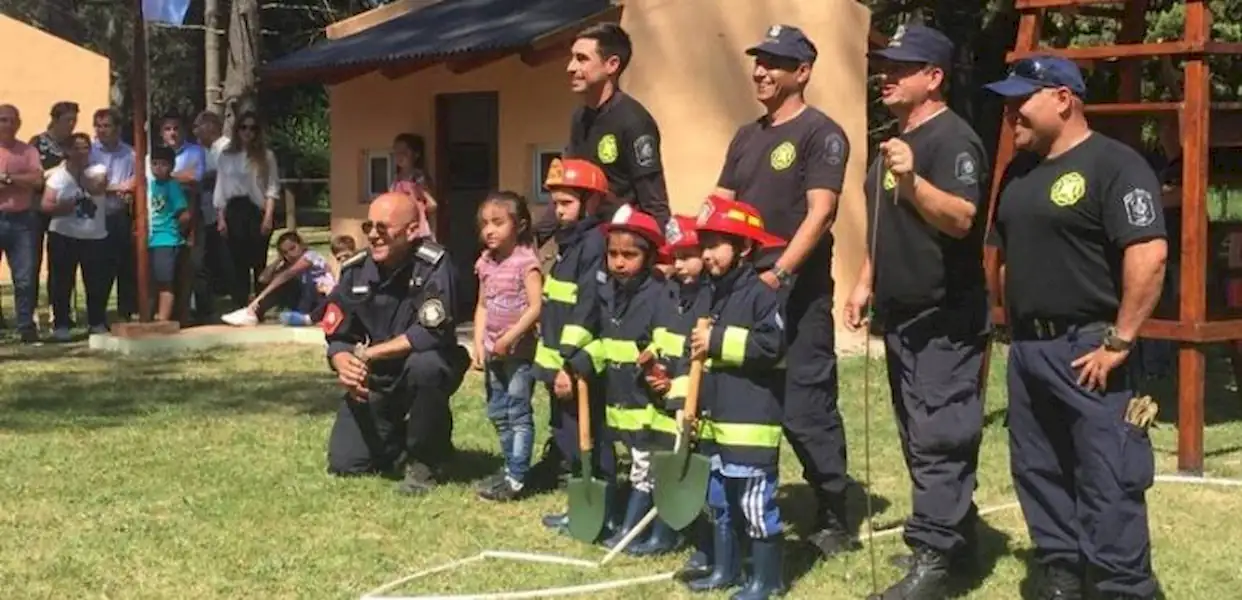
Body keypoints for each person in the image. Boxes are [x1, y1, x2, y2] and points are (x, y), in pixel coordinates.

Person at [984, 56, 1166, 600]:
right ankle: (1061, 569)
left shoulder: (1115, 165)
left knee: (1108, 477)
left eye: (1023, 98)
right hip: (1029, 348)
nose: (1011, 110)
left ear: (1063, 98)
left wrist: (1120, 339)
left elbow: (1149, 255)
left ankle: (1124, 586)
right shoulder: (1018, 171)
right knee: (1039, 468)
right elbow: (1001, 251)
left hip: (1089, 347)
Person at [844, 25, 991, 600]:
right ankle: (961, 536)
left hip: (945, 319)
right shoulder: (892, 144)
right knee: (918, 435)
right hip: (902, 317)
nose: (886, 74)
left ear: (934, 78)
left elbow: (961, 218)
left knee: (939, 436)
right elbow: (884, 231)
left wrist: (913, 179)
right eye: (884, 65)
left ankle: (931, 560)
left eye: (901, 67)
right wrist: (863, 283)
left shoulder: (954, 140)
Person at [713, 24, 854, 557]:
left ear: (803, 72)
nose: (760, 71)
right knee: (740, 398)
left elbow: (821, 213)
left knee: (805, 406)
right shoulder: (747, 136)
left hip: (797, 293)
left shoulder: (822, 133)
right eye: (758, 61)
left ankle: (835, 511)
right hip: (744, 288)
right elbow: (722, 204)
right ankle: (741, 500)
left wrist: (780, 275)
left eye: (774, 62)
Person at [323, 192, 469, 496]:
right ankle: (402, 443)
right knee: (347, 463)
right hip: (377, 375)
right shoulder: (355, 270)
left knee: (425, 366)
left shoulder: (434, 265)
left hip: (422, 365)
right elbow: (338, 334)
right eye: (368, 228)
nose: (374, 236)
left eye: (383, 228)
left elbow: (430, 333)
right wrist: (342, 362)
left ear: (412, 230)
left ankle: (426, 459)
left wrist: (366, 354)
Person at [682, 195, 788, 599]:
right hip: (717, 422)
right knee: (720, 501)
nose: (706, 254)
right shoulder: (712, 294)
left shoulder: (761, 295)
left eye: (716, 245)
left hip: (750, 424)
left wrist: (717, 339)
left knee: (755, 505)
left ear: (745, 248)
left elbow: (773, 346)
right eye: (703, 244)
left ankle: (767, 579)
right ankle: (725, 569)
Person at [530, 158, 617, 535]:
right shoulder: (571, 242)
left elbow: (587, 310)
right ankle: (580, 507)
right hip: (561, 368)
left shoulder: (594, 244)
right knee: (569, 440)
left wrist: (569, 365)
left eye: (566, 203)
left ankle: (603, 511)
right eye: (556, 202)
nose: (558, 210)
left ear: (592, 202)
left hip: (579, 368)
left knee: (592, 440)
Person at [532, 23, 672, 244]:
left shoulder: (634, 121)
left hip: (619, 246)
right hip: (581, 241)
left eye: (582, 59)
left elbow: (654, 202)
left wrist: (663, 255)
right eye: (572, 58)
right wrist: (529, 240)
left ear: (612, 64)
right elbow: (567, 190)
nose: (570, 67)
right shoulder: (580, 117)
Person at [590, 205, 672, 553]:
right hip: (620, 397)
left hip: (650, 399)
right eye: (613, 254)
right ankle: (640, 525)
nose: (620, 262)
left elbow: (669, 336)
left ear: (650, 255)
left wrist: (656, 353)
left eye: (630, 255)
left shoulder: (660, 293)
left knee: (646, 463)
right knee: (638, 459)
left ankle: (634, 531)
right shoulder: (608, 292)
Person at [653, 214, 715, 570]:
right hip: (671, 393)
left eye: (686, 255)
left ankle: (699, 530)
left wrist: (686, 395)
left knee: (700, 460)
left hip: (700, 395)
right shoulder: (670, 293)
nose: (678, 264)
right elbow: (664, 340)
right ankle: (674, 526)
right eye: (674, 256)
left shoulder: (709, 295)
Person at [471, 191, 542, 502]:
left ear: (520, 225)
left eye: (498, 223)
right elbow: (482, 306)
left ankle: (517, 477)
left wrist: (509, 338)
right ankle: (509, 468)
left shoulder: (526, 263)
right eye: (484, 224)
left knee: (517, 412)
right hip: (492, 352)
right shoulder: (485, 263)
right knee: (498, 412)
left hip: (518, 355)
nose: (489, 230)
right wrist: (478, 343)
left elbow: (537, 307)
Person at [41, 133, 110, 340]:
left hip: (94, 235)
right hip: (63, 234)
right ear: (68, 151)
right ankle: (62, 324)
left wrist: (78, 172)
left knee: (96, 282)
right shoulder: (58, 177)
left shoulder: (98, 169)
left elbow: (97, 187)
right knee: (62, 282)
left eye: (85, 148)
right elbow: (46, 204)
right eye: (77, 148)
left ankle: (96, 322)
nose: (82, 152)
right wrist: (62, 206)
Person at [214, 111, 280, 309]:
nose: (248, 132)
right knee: (237, 262)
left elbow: (272, 187)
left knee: (258, 260)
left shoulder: (266, 156)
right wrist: (221, 217)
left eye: (253, 128)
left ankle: (260, 306)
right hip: (234, 208)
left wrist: (268, 217)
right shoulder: (226, 155)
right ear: (237, 130)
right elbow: (221, 186)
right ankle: (239, 305)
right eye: (244, 127)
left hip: (256, 210)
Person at [0, 104, 49, 342]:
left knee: (26, 277)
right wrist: (21, 181)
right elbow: (28, 180)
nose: (7, 125)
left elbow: (38, 181)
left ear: (18, 123)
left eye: (11, 120)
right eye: (2, 120)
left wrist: (8, 178)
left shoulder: (28, 151)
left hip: (23, 219)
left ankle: (25, 326)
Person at [220, 230, 334, 327]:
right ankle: (253, 313)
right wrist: (278, 260)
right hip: (305, 298)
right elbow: (263, 278)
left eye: (292, 248)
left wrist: (258, 299)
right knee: (278, 282)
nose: (290, 254)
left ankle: (252, 311)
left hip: (322, 297)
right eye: (285, 252)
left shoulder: (310, 256)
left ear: (301, 245)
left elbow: (287, 275)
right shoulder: (288, 263)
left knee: (284, 282)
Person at [29, 101, 79, 320]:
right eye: (68, 120)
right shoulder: (37, 143)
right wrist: (54, 172)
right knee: (32, 260)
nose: (72, 125)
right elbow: (34, 177)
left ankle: (59, 308)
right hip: (38, 209)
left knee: (61, 262)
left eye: (74, 120)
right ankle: (29, 310)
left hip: (65, 210)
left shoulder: (72, 145)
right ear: (55, 119)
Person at [91, 109, 138, 323]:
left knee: (125, 265)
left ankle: (126, 312)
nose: (102, 130)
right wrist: (117, 187)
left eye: (106, 126)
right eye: (98, 126)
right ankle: (97, 315)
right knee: (99, 268)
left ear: (117, 128)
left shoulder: (130, 154)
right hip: (95, 216)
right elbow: (91, 185)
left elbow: (136, 181)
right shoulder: (90, 153)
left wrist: (126, 188)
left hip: (120, 215)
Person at [192, 110, 231, 321]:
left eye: (199, 127)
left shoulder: (226, 147)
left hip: (225, 211)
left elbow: (223, 175)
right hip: (205, 211)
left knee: (227, 259)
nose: (196, 132)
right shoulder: (201, 150)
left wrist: (202, 177)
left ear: (211, 127)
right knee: (204, 261)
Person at [148, 146, 191, 322]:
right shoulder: (148, 186)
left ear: (172, 166)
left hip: (166, 239)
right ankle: (150, 316)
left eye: (164, 164)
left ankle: (164, 320)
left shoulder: (172, 186)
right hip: (150, 239)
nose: (158, 168)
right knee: (152, 282)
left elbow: (185, 215)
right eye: (154, 163)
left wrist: (174, 229)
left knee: (165, 282)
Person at [390, 133, 437, 240]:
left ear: (416, 155)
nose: (399, 156)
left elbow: (432, 204)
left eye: (404, 152)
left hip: (418, 230)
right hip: (400, 229)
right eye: (396, 152)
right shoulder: (396, 180)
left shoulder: (418, 178)